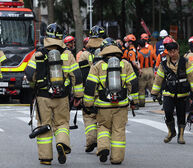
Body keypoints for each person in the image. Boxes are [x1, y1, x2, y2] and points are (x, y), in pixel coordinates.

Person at [24, 23, 84, 165]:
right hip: (62, 97)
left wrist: (35, 86)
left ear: (47, 37)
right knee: (62, 123)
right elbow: (77, 76)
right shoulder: (67, 55)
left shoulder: (38, 54)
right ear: (61, 38)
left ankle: (45, 158)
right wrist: (78, 96)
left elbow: (29, 74)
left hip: (43, 97)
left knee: (44, 124)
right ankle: (62, 144)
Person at [83, 40, 138, 164]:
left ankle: (103, 148)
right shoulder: (125, 64)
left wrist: (88, 104)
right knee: (118, 130)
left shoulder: (97, 66)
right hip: (121, 105)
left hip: (103, 106)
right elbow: (133, 83)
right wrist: (134, 101)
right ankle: (117, 159)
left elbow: (90, 86)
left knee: (103, 127)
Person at [151, 37, 193, 144]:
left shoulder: (185, 62)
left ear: (178, 50)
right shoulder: (163, 64)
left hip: (182, 93)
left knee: (181, 114)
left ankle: (181, 135)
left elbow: (192, 76)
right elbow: (158, 79)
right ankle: (171, 131)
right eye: (170, 52)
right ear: (168, 52)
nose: (173, 54)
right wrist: (154, 93)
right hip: (169, 93)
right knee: (168, 112)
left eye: (175, 51)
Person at [78, 25, 105, 153]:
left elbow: (82, 75)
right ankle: (103, 144)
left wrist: (79, 93)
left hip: (89, 90)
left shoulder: (84, 55)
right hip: (105, 91)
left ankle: (91, 141)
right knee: (103, 119)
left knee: (89, 117)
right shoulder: (108, 53)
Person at [136, 39, 156, 107]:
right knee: (152, 86)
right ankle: (158, 98)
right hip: (150, 70)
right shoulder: (151, 51)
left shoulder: (138, 53)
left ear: (139, 46)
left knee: (141, 88)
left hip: (142, 71)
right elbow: (156, 59)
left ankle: (141, 103)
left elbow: (137, 62)